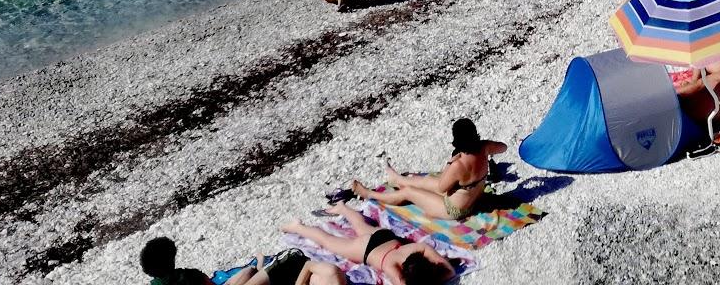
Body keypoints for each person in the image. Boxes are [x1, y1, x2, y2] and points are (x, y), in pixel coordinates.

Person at [353, 118, 509, 222]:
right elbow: (503, 147)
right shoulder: (485, 147)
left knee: (408, 192)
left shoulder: (458, 165)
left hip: (455, 210)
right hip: (473, 198)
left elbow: (442, 187)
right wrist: (485, 144)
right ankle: (397, 179)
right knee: (426, 181)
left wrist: (449, 162)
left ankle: (369, 194)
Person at [283, 203, 454, 284]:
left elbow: (448, 270)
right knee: (327, 241)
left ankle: (342, 208)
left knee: (360, 225)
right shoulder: (392, 266)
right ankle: (298, 227)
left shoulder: (419, 248)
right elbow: (449, 272)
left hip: (385, 237)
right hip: (365, 249)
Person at [140, 237, 342, 285]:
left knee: (248, 272)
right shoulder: (188, 276)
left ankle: (261, 264)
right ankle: (266, 264)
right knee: (291, 258)